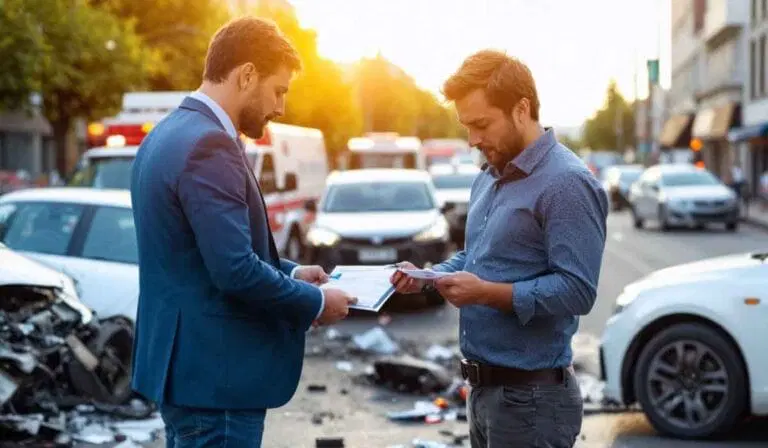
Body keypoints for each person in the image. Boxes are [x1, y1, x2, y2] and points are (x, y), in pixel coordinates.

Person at [129, 17, 356, 447]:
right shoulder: (209, 145)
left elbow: (195, 254)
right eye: (279, 90)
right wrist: (315, 302)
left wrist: (289, 273)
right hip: (217, 381)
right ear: (247, 75)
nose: (280, 108)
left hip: (184, 373)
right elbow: (234, 270)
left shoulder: (165, 135)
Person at [391, 50, 608, 447]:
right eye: (466, 127)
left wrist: (487, 294)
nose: (473, 139)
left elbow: (578, 290)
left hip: (532, 401)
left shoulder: (567, 183)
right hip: (484, 394)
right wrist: (428, 278)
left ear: (521, 109)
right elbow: (477, 260)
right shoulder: (489, 176)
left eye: (481, 124)